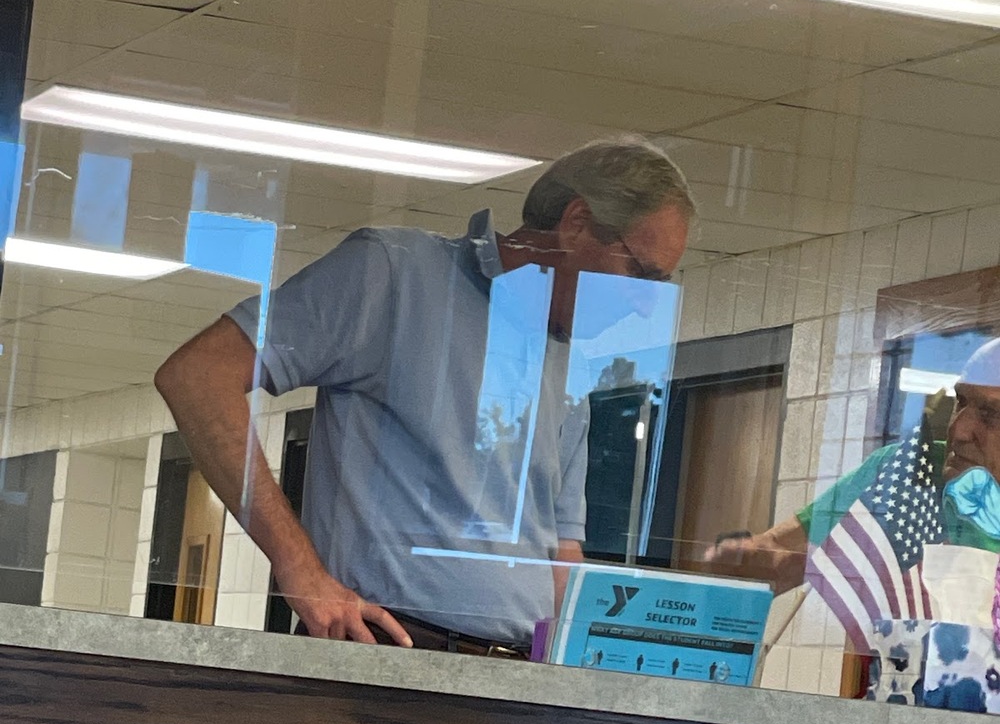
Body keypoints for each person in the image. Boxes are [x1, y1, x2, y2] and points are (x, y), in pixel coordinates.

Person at [155, 139, 692, 653]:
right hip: (386, 656)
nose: (646, 306)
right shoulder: (393, 273)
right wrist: (298, 567)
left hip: (512, 684)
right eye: (640, 273)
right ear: (577, 222)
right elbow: (199, 375)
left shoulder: (571, 360)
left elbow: (560, 553)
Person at [706, 336, 1000, 593]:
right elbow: (780, 555)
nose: (958, 430)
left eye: (990, 413)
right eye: (960, 401)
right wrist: (750, 562)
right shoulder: (906, 468)